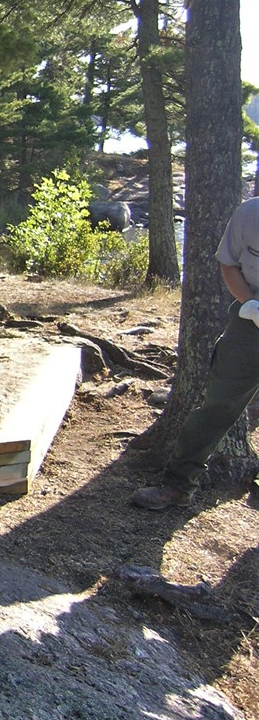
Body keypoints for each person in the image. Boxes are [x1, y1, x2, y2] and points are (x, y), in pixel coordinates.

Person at [131, 196, 259, 510]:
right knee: (218, 404)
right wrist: (251, 305)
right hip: (251, 319)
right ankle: (177, 486)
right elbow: (229, 264)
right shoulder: (249, 213)